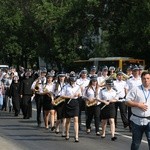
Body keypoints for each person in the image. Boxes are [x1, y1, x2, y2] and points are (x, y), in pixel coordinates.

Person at [125, 71, 150, 150]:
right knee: (136, 143)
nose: (146, 80)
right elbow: (127, 101)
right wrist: (138, 104)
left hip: (149, 121)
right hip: (137, 121)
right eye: (144, 78)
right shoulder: (135, 89)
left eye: (148, 78)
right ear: (141, 79)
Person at [61, 74, 81, 142]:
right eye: (72, 81)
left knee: (76, 119)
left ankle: (76, 136)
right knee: (68, 120)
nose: (73, 82)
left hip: (75, 103)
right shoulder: (66, 86)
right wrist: (69, 97)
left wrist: (77, 95)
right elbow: (62, 95)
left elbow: (80, 94)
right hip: (68, 103)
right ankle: (67, 133)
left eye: (74, 81)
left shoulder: (78, 87)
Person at [53, 71, 67, 136]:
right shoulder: (55, 84)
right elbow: (52, 93)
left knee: (64, 117)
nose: (62, 78)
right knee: (59, 116)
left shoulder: (67, 84)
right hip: (58, 100)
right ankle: (57, 127)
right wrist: (53, 99)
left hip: (65, 100)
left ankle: (63, 131)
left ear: (65, 77)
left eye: (63, 76)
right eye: (60, 77)